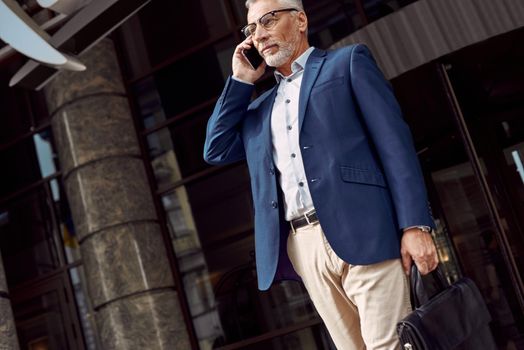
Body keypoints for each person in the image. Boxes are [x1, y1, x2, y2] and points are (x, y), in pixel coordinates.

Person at [203, 0, 439, 348]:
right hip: (305, 245)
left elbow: (395, 146)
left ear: (300, 20)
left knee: (386, 344)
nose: (259, 34)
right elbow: (215, 148)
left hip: (366, 228)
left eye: (268, 20)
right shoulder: (258, 110)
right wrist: (240, 79)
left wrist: (415, 225)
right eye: (252, 29)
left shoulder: (347, 64)